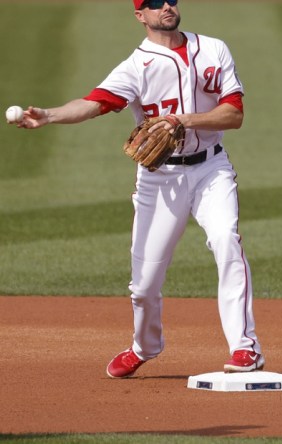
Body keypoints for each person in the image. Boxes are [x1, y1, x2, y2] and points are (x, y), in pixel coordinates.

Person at [12, 0, 264, 377]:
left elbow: (235, 114)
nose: (165, 6)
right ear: (139, 16)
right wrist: (49, 115)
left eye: (170, 0)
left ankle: (245, 348)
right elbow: (95, 103)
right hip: (159, 180)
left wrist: (182, 119)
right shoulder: (136, 66)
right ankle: (144, 346)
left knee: (227, 241)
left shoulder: (213, 48)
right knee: (144, 285)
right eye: (153, 3)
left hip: (211, 169)